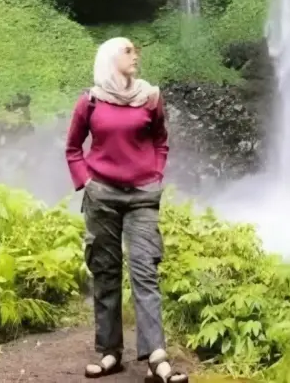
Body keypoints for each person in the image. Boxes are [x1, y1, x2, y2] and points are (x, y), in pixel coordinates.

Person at [66, 36, 187, 382]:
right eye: (128, 50)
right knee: (104, 271)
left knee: (145, 270)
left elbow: (160, 140)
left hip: (142, 196)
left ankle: (156, 356)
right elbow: (73, 148)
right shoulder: (89, 102)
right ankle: (109, 353)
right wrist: (85, 181)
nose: (136, 55)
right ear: (109, 58)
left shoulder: (150, 98)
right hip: (101, 195)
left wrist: (155, 173)